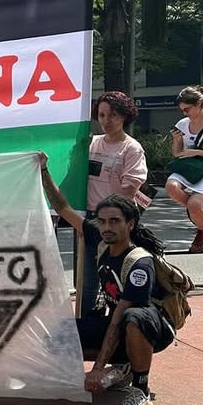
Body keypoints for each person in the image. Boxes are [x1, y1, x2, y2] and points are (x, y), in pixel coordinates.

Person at [40, 153, 175, 405]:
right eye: (102, 221)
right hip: (120, 324)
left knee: (131, 318)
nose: (106, 227)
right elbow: (64, 208)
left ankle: (141, 389)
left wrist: (98, 368)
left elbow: (120, 316)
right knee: (58, 337)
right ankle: (125, 366)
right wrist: (44, 171)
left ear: (130, 224)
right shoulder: (101, 241)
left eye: (114, 221)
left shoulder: (139, 262)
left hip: (152, 328)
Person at [79, 92, 149, 317]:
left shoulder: (132, 148)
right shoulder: (90, 143)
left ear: (125, 116)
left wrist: (107, 216)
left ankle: (117, 326)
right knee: (87, 280)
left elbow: (130, 188)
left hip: (113, 222)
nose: (106, 120)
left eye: (113, 115)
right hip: (88, 218)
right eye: (101, 115)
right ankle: (87, 328)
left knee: (114, 278)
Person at [165, 85, 203, 253]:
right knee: (171, 187)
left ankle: (202, 230)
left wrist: (196, 151)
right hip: (187, 167)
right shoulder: (183, 124)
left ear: (199, 103)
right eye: (182, 110)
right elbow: (177, 153)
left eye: (187, 109)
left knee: (194, 205)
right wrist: (177, 140)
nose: (185, 114)